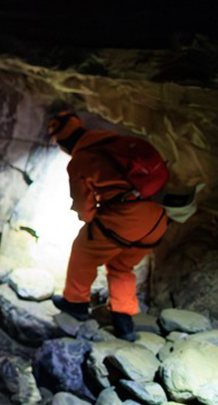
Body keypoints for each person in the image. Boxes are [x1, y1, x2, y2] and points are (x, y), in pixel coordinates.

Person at [47, 111, 169, 340]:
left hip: (125, 219)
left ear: (63, 143)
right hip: (157, 219)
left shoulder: (81, 159)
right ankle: (124, 320)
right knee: (121, 265)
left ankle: (75, 303)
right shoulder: (114, 142)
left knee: (83, 251)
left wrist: (91, 221)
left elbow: (84, 207)